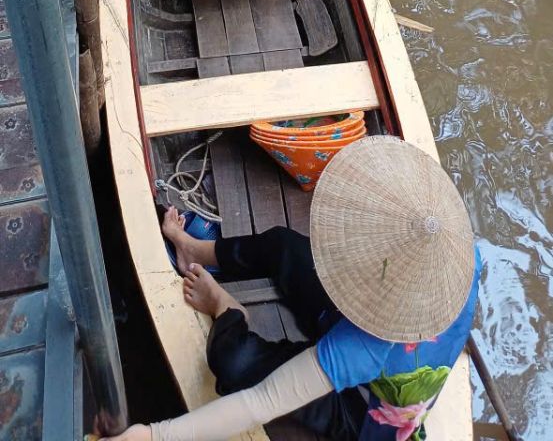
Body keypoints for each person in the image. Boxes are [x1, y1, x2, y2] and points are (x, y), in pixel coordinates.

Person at [99, 135, 481, 441]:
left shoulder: (362, 349)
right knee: (282, 245)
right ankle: (192, 249)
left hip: (360, 409)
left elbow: (260, 402)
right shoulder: (462, 251)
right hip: (370, 322)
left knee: (234, 363)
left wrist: (154, 435)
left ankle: (226, 307)